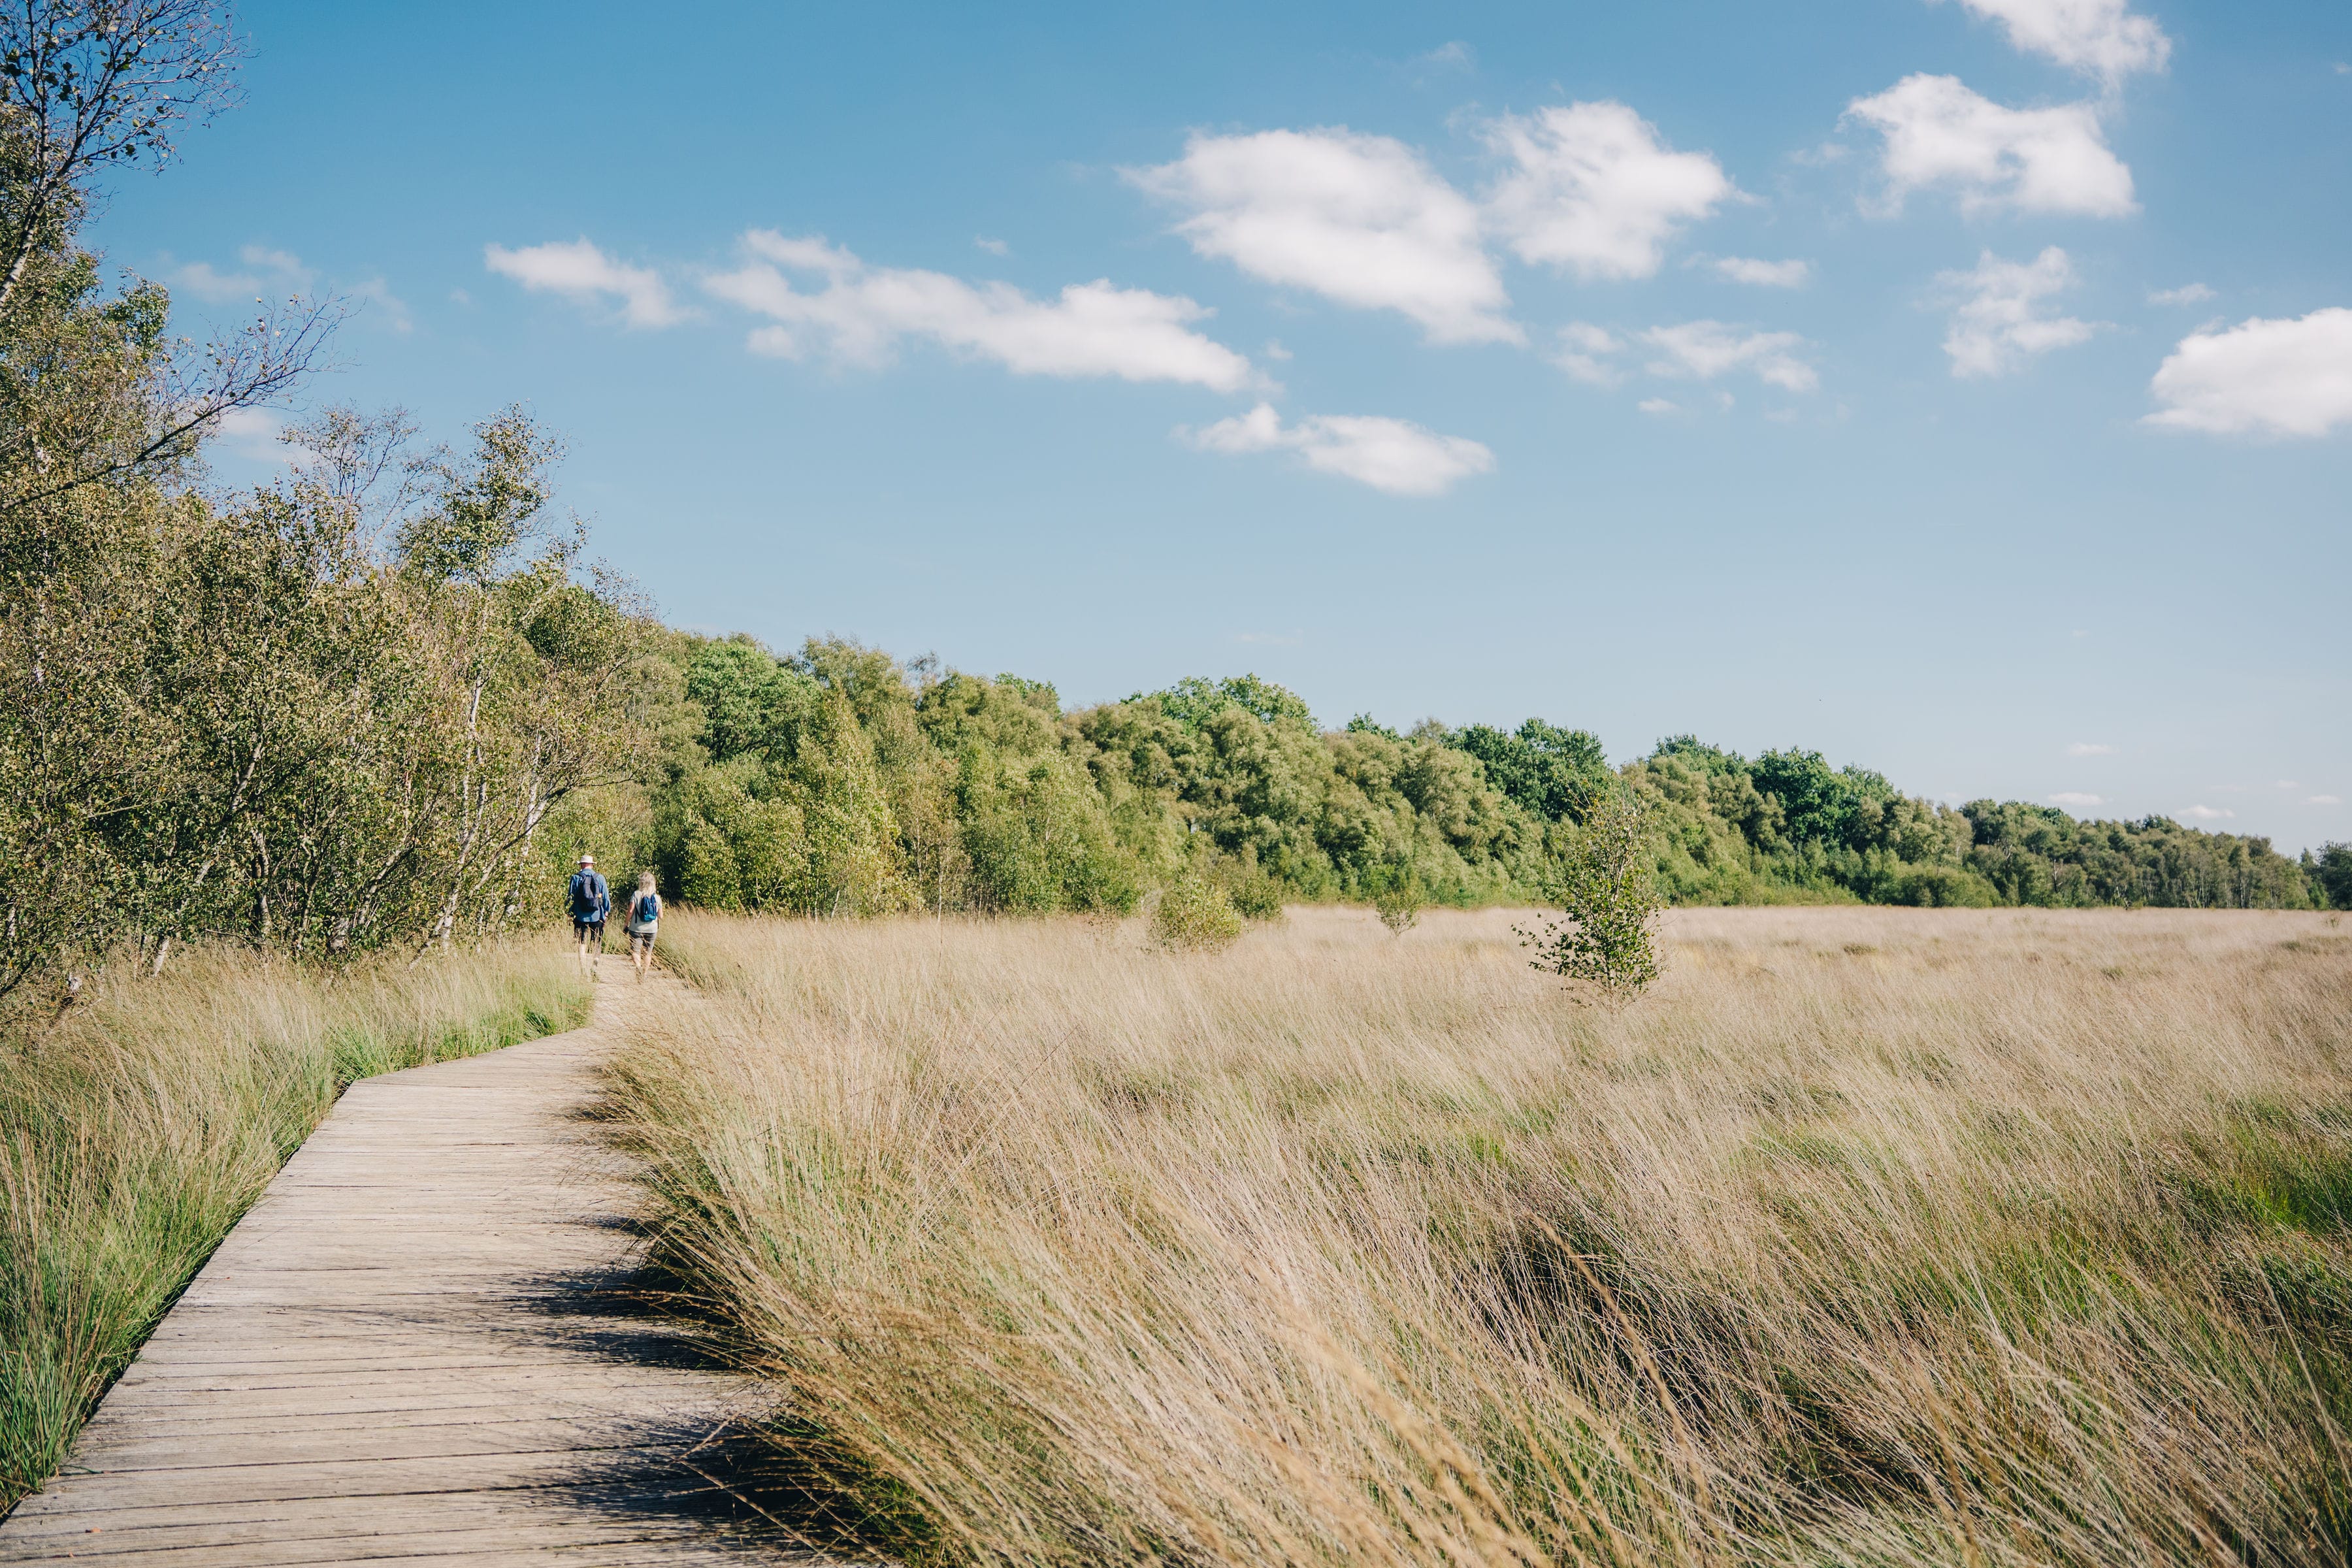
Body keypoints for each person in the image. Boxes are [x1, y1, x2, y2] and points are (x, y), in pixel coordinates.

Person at [566, 854, 610, 978]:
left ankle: (583, 969)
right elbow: (606, 897)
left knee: (581, 942)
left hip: (580, 915)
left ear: (581, 865)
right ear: (592, 865)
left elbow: (571, 897)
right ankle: (594, 965)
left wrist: (569, 912)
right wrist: (606, 911)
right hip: (597, 915)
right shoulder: (600, 878)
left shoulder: (575, 878)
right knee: (597, 941)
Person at [625, 872, 662, 982]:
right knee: (648, 952)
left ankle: (638, 967)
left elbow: (631, 911)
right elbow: (661, 916)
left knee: (636, 951)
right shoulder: (657, 898)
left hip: (636, 928)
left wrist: (626, 923)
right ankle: (644, 974)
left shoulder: (636, 894)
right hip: (652, 929)